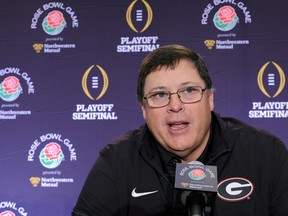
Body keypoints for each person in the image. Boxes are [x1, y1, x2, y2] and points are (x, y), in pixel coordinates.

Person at [72, 44, 288, 216]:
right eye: (159, 95)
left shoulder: (266, 154)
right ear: (144, 110)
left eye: (189, 90)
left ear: (210, 99)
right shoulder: (117, 162)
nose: (175, 106)